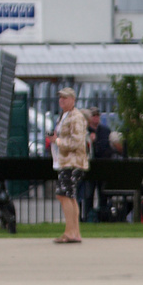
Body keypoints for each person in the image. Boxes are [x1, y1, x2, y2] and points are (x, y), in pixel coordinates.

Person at [46, 86, 87, 244]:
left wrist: (56, 141)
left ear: (73, 100)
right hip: (64, 161)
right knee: (69, 195)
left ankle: (70, 232)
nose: (61, 100)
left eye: (65, 97)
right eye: (60, 97)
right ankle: (74, 232)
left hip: (72, 162)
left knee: (64, 195)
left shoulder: (76, 117)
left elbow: (77, 141)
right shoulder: (64, 115)